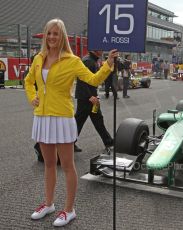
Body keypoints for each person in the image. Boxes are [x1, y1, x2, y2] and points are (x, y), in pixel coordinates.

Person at [24, 18, 117, 227]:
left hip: (62, 118)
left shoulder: (72, 60)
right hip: (42, 116)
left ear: (62, 36)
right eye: (49, 33)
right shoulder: (39, 58)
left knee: (67, 165)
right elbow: (28, 81)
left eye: (56, 33)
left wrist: (108, 65)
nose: (51, 37)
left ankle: (69, 209)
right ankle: (48, 204)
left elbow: (93, 80)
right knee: (48, 164)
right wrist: (32, 97)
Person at [74, 50, 114, 152]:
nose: (102, 50)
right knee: (80, 121)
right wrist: (90, 96)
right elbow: (81, 80)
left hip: (89, 97)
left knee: (96, 120)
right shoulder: (88, 61)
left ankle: (108, 142)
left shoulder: (92, 60)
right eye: (100, 48)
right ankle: (69, 142)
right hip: (87, 98)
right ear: (94, 50)